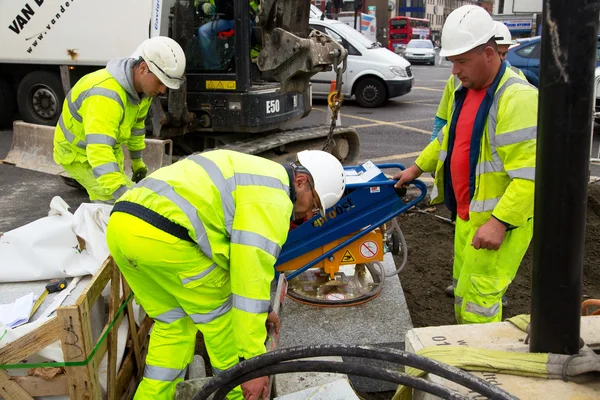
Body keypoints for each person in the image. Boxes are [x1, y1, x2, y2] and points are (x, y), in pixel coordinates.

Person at [106, 149, 346, 399]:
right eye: (315, 205)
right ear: (301, 182)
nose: (309, 215)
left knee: (173, 326)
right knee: (223, 324)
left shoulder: (259, 174)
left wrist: (263, 309)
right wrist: (253, 365)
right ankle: (237, 394)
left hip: (122, 228)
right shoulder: (273, 201)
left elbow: (239, 262)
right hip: (165, 237)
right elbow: (249, 280)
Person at [395, 5, 538, 325]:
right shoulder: (469, 90)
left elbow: (531, 177)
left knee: (480, 302)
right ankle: (463, 348)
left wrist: (500, 222)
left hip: (496, 223)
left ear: (489, 53)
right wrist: (416, 169)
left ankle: (478, 367)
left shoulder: (516, 99)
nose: (453, 71)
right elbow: (448, 138)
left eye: (461, 61)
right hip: (467, 216)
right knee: (463, 290)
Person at [53, 37, 186, 204]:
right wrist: (121, 193)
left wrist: (137, 161)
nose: (162, 90)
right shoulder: (106, 95)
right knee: (114, 201)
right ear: (143, 68)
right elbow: (99, 150)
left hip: (109, 147)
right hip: (78, 154)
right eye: (160, 82)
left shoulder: (143, 93)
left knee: (128, 194)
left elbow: (137, 128)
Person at [431, 21, 526, 142]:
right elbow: (443, 123)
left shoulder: (518, 82)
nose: (500, 59)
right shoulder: (456, 78)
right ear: (489, 52)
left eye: (504, 53)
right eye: (498, 53)